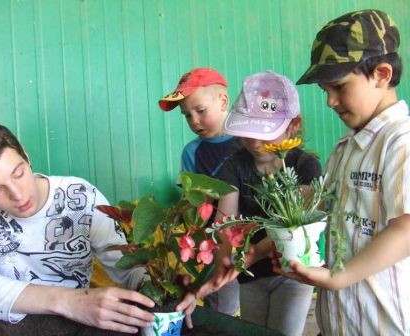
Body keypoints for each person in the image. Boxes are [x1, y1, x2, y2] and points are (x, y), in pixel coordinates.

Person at [0, 122, 196, 335]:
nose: (18, 194)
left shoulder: (80, 196)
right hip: (11, 324)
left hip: (81, 323)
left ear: (26, 154)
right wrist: (68, 301)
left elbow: (126, 268)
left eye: (19, 173)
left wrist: (165, 289)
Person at [272, 9, 410, 335]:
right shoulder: (347, 145)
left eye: (338, 86)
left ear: (382, 74)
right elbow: (318, 206)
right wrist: (259, 248)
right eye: (325, 91)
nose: (330, 101)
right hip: (339, 324)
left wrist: (340, 277)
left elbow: (406, 229)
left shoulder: (400, 142)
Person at [199, 71, 322, 336]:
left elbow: (290, 226)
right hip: (250, 276)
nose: (255, 143)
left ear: (293, 125)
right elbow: (225, 222)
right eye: (247, 132)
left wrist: (250, 255)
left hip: (293, 273)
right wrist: (224, 256)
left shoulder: (305, 166)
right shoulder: (234, 165)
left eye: (264, 134)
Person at [159, 67, 240, 316]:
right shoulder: (191, 152)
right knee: (222, 306)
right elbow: (194, 203)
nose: (194, 120)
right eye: (187, 116)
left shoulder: (247, 141)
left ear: (223, 101)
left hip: (251, 240)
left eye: (200, 111)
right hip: (214, 245)